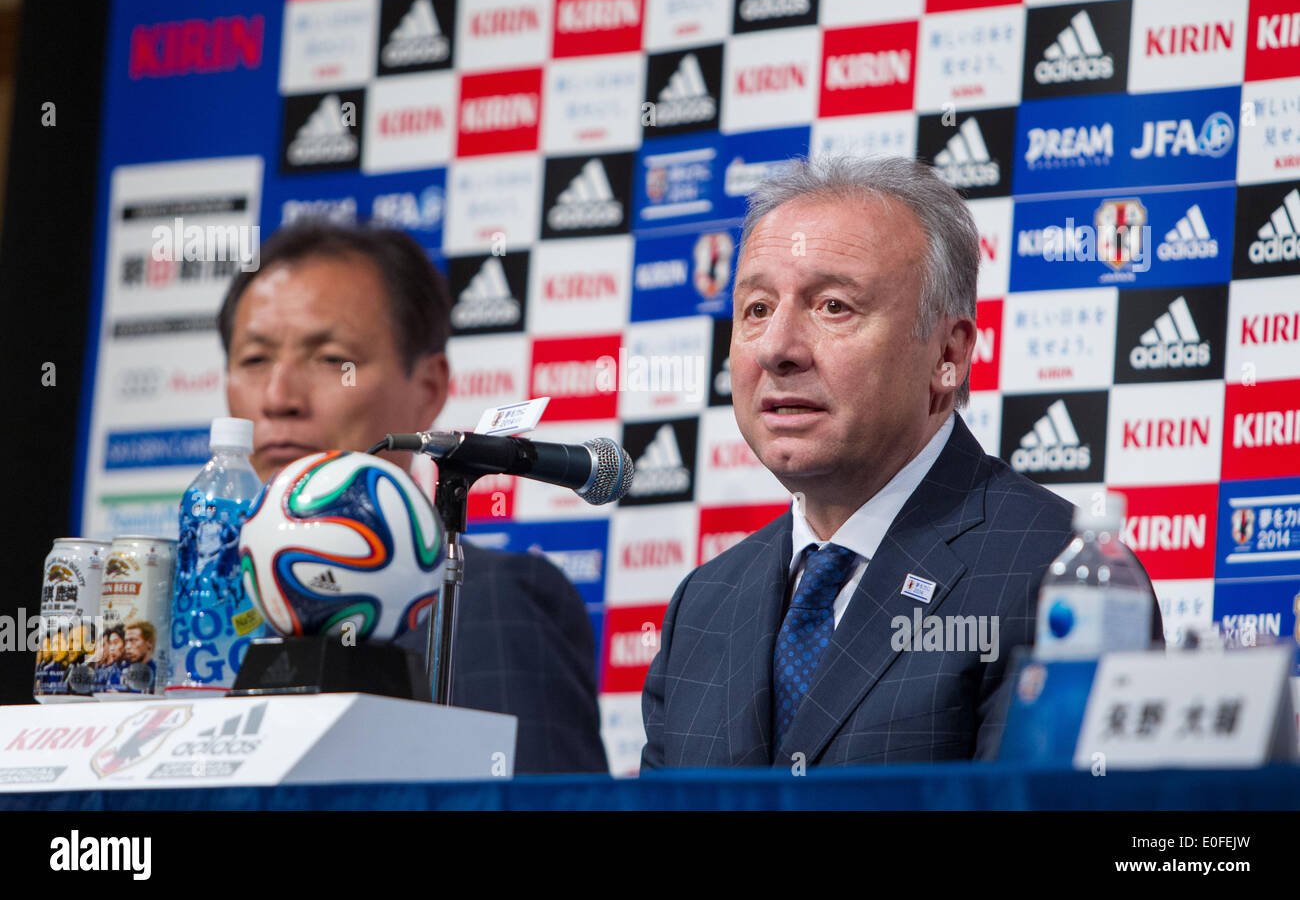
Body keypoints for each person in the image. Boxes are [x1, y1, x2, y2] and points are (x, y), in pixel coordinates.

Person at [641, 155, 1164, 770]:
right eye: (756, 309)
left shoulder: (1052, 574)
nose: (778, 348)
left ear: (948, 353)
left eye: (833, 306)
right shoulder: (703, 605)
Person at [218, 222, 607, 774]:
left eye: (331, 359)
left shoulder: (484, 600)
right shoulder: (192, 609)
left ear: (427, 388)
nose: (278, 398)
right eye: (255, 360)